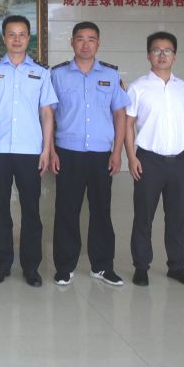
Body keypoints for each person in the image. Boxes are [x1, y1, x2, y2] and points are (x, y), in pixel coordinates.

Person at [0, 15, 57, 288]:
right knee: (0, 209)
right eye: (11, 34)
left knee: (31, 211)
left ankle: (31, 267)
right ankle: (1, 266)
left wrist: (46, 149)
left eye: (22, 34)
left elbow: (47, 113)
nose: (17, 39)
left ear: (28, 38)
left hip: (30, 151)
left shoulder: (41, 73)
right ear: (4, 38)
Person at [49, 21, 128, 286]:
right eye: (80, 39)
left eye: (91, 39)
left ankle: (102, 266)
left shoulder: (111, 75)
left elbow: (120, 115)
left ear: (98, 43)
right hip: (67, 152)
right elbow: (47, 115)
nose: (85, 44)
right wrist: (50, 150)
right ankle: (65, 266)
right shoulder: (57, 75)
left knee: (101, 210)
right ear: (71, 42)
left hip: (101, 154)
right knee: (66, 210)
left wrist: (117, 152)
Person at [126, 31, 184, 288]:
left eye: (167, 50)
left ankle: (177, 266)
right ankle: (141, 266)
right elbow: (128, 125)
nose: (162, 55)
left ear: (174, 56)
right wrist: (131, 156)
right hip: (148, 161)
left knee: (178, 217)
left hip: (179, 162)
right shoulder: (137, 88)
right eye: (156, 50)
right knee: (144, 216)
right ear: (148, 55)